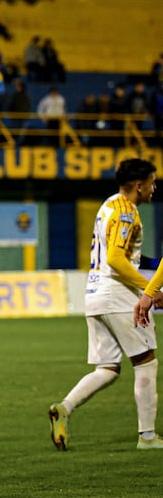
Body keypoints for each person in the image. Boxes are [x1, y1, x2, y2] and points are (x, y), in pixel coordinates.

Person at [49, 158, 163, 451]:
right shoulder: (127, 213)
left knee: (108, 368)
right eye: (152, 181)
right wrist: (148, 289)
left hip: (95, 294)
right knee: (146, 361)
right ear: (139, 185)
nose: (154, 187)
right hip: (118, 295)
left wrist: (152, 264)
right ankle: (148, 437)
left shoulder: (108, 205)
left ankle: (65, 408)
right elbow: (115, 259)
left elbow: (125, 256)